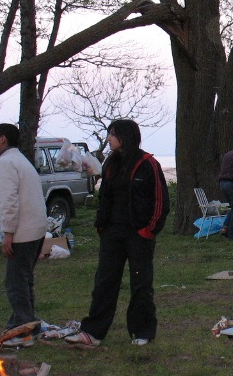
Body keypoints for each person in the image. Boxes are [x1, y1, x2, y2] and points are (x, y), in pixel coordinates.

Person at [65, 120, 170, 347]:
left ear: (124, 137)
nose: (109, 139)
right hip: (112, 232)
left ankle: (142, 331)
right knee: (104, 281)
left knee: (141, 283)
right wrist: (101, 225)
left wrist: (149, 230)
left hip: (138, 234)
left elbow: (161, 201)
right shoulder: (111, 163)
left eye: (112, 135)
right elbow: (105, 195)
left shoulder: (148, 164)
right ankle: (93, 332)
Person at [0, 123, 48, 349]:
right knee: (25, 279)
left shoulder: (6, 163)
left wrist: (8, 234)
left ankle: (24, 329)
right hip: (36, 228)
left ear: (3, 139)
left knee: (15, 282)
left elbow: (9, 201)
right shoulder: (21, 160)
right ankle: (23, 323)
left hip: (23, 231)